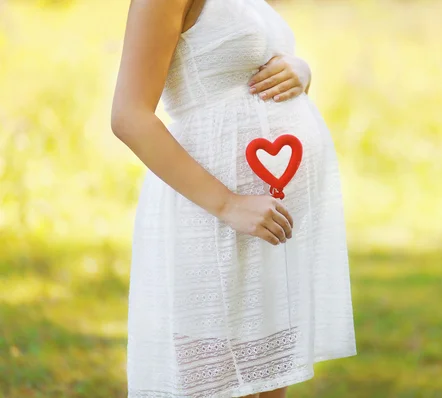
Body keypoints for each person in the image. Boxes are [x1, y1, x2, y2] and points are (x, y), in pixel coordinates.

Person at [110, 0, 356, 397]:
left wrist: (301, 71)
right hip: (211, 215)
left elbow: (239, 68)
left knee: (267, 382)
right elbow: (129, 116)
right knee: (216, 384)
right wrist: (228, 204)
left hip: (269, 226)